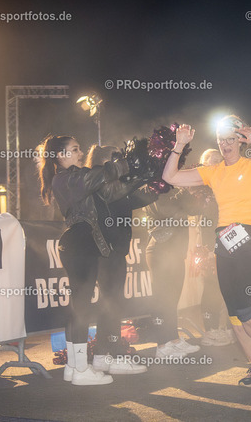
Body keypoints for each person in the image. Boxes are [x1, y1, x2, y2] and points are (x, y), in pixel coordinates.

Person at [162, 116, 251, 386]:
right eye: (221, 140)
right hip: (224, 242)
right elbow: (169, 177)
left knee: (244, 306)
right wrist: (179, 145)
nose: (225, 144)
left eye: (231, 139)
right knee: (234, 312)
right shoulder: (213, 171)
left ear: (241, 141)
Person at [39, 135, 136, 386]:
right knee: (81, 308)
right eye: (74, 149)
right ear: (59, 155)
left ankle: (74, 367)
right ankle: (81, 369)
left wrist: (136, 175)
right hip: (79, 244)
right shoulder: (65, 178)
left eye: (79, 149)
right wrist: (123, 164)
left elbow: (108, 189)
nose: (80, 153)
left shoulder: (71, 176)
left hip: (80, 244)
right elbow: (95, 177)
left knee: (79, 307)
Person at [85, 145, 158, 375]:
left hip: (115, 251)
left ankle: (103, 355)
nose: (122, 161)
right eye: (116, 158)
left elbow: (137, 198)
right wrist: (139, 175)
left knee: (112, 302)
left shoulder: (116, 185)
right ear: (103, 162)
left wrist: (160, 181)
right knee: (111, 304)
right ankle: (112, 355)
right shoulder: (98, 182)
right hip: (104, 251)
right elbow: (119, 193)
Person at [145, 187, 202, 358]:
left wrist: (190, 192)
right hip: (160, 250)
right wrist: (183, 193)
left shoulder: (176, 189)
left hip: (176, 252)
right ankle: (162, 345)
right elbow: (166, 210)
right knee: (162, 300)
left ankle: (174, 339)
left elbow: (195, 209)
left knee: (172, 299)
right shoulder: (154, 186)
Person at [195, 149, 235, 346]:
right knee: (211, 288)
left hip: (231, 243)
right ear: (204, 165)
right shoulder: (201, 188)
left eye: (220, 160)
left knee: (230, 288)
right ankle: (210, 332)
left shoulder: (229, 184)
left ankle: (228, 328)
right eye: (212, 161)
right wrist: (209, 249)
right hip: (211, 246)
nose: (217, 163)